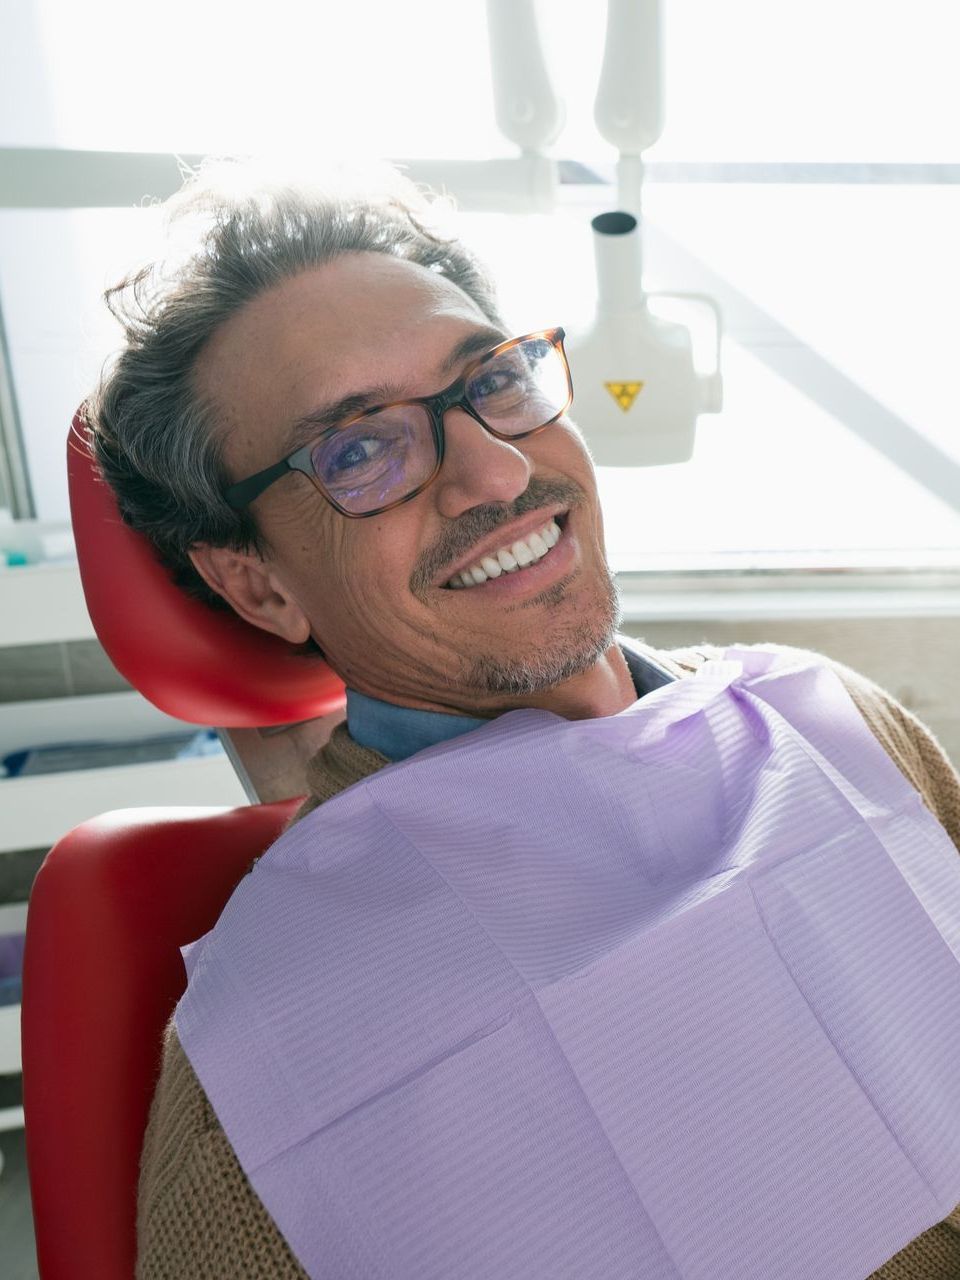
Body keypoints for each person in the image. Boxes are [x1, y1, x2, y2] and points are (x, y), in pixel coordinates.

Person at [88, 160, 960, 1280]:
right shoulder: (268, 1056)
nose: (495, 472)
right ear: (260, 586)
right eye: (360, 449)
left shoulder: (832, 721)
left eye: (492, 381)